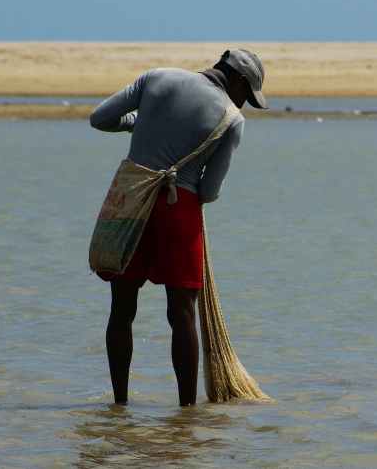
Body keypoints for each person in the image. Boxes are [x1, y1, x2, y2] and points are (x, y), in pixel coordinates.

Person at [89, 49, 267, 406]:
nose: (243, 104)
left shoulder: (157, 76)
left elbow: (100, 118)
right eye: (246, 97)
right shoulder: (232, 119)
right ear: (238, 82)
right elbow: (209, 191)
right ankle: (187, 414)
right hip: (178, 207)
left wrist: (139, 124)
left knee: (121, 308)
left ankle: (119, 405)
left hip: (131, 199)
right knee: (182, 312)